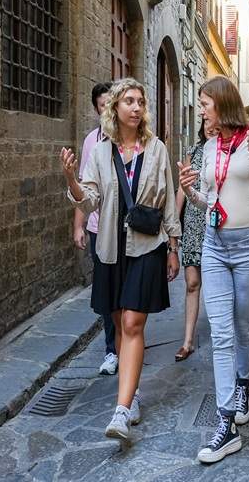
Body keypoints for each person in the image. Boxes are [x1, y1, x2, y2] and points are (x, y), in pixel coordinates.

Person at [60, 78, 181, 440]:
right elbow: (89, 200)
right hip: (111, 248)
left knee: (131, 324)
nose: (136, 106)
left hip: (146, 246)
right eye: (129, 100)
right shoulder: (99, 152)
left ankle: (121, 411)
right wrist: (71, 179)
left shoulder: (156, 149)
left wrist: (173, 247)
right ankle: (134, 392)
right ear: (115, 107)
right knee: (118, 318)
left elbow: (167, 199)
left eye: (140, 101)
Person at [178, 76, 249, 464]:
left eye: (205, 104)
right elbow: (210, 198)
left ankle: (243, 383)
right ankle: (226, 422)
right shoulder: (208, 147)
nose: (202, 110)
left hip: (248, 247)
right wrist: (190, 190)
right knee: (221, 331)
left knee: (244, 326)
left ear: (222, 104)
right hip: (214, 244)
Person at [72, 82, 119, 376]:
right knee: (105, 292)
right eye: (101, 106)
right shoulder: (91, 141)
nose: (106, 110)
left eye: (109, 104)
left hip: (122, 229)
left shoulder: (128, 140)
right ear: (96, 109)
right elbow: (83, 186)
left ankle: (128, 337)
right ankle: (112, 349)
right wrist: (77, 226)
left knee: (123, 289)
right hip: (97, 227)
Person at [173, 119, 217, 361]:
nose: (210, 125)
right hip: (192, 223)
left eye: (214, 120)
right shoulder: (193, 151)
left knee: (217, 285)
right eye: (206, 121)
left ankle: (223, 337)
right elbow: (183, 187)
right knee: (192, 282)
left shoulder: (225, 150)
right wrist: (174, 225)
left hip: (217, 223)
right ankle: (188, 341)